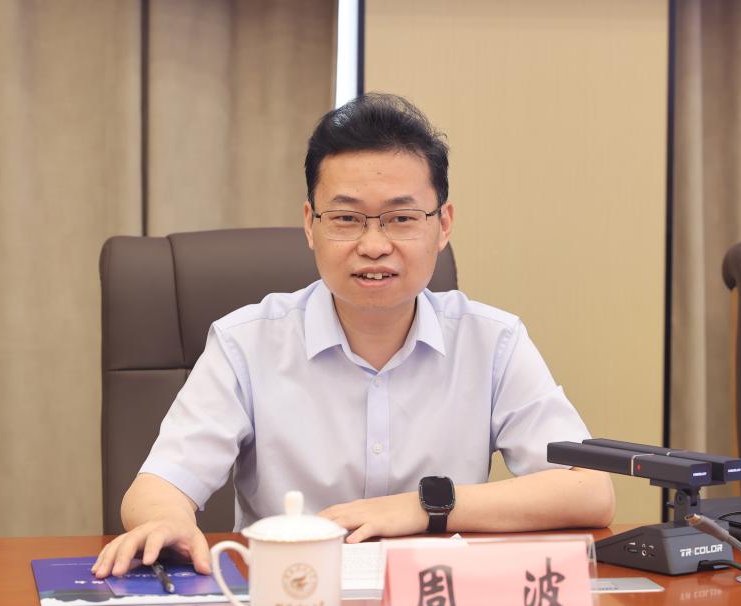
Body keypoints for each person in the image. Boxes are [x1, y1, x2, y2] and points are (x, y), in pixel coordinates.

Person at [93, 93, 615, 579]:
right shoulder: (245, 344)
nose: (373, 245)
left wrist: (422, 507)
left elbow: (589, 490)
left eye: (401, 218)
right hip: (291, 601)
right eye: (346, 218)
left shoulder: (492, 342)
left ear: (443, 225)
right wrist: (167, 521)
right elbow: (159, 485)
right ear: (310, 224)